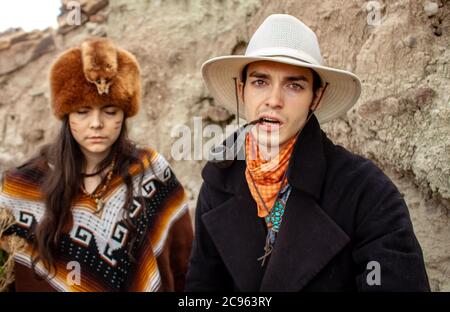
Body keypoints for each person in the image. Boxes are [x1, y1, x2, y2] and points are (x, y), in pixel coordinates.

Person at [185, 14, 430, 291]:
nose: (274, 101)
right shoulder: (219, 184)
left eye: (294, 85)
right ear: (242, 90)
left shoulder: (366, 192)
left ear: (316, 96)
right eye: (260, 82)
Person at [0, 37, 193, 292]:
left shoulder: (151, 172)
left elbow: (185, 263)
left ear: (125, 114)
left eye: (110, 111)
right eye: (82, 111)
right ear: (66, 115)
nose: (96, 123)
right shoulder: (22, 184)